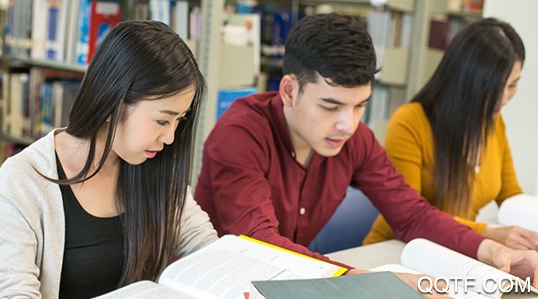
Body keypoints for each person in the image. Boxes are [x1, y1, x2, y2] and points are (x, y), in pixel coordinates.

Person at [194, 12, 538, 293]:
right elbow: (260, 242)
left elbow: (412, 213)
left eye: (360, 106)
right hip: (217, 285)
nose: (348, 124)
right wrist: (371, 283)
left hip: (296, 281)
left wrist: (491, 250)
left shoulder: (352, 138)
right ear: (288, 90)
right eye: (331, 106)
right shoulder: (240, 134)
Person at [0, 20, 218, 298]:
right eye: (162, 120)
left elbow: (204, 246)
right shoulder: (22, 181)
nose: (170, 138)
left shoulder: (153, 166)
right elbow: (12, 294)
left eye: (180, 120)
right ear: (111, 105)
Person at [363, 18, 538, 250]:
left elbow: (510, 196)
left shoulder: (494, 124)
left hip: (457, 251)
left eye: (512, 85)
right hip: (397, 250)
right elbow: (410, 216)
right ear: (465, 81)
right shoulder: (410, 122)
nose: (503, 99)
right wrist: (488, 234)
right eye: (493, 88)